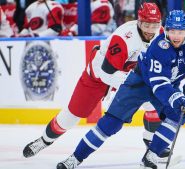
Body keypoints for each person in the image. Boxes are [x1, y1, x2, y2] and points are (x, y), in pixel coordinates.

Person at [56, 10, 185, 169]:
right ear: (167, 30)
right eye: (172, 31)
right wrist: (176, 97)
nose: (176, 36)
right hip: (139, 83)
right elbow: (159, 83)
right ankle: (75, 158)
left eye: (180, 31)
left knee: (178, 114)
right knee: (110, 123)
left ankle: (151, 156)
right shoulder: (160, 46)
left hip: (166, 85)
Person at [23, 2, 169, 162]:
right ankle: (44, 140)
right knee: (71, 117)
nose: (150, 30)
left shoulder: (160, 34)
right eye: (146, 24)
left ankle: (153, 147)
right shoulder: (124, 37)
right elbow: (108, 73)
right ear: (139, 22)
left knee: (153, 100)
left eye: (154, 25)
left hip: (127, 75)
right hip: (99, 75)